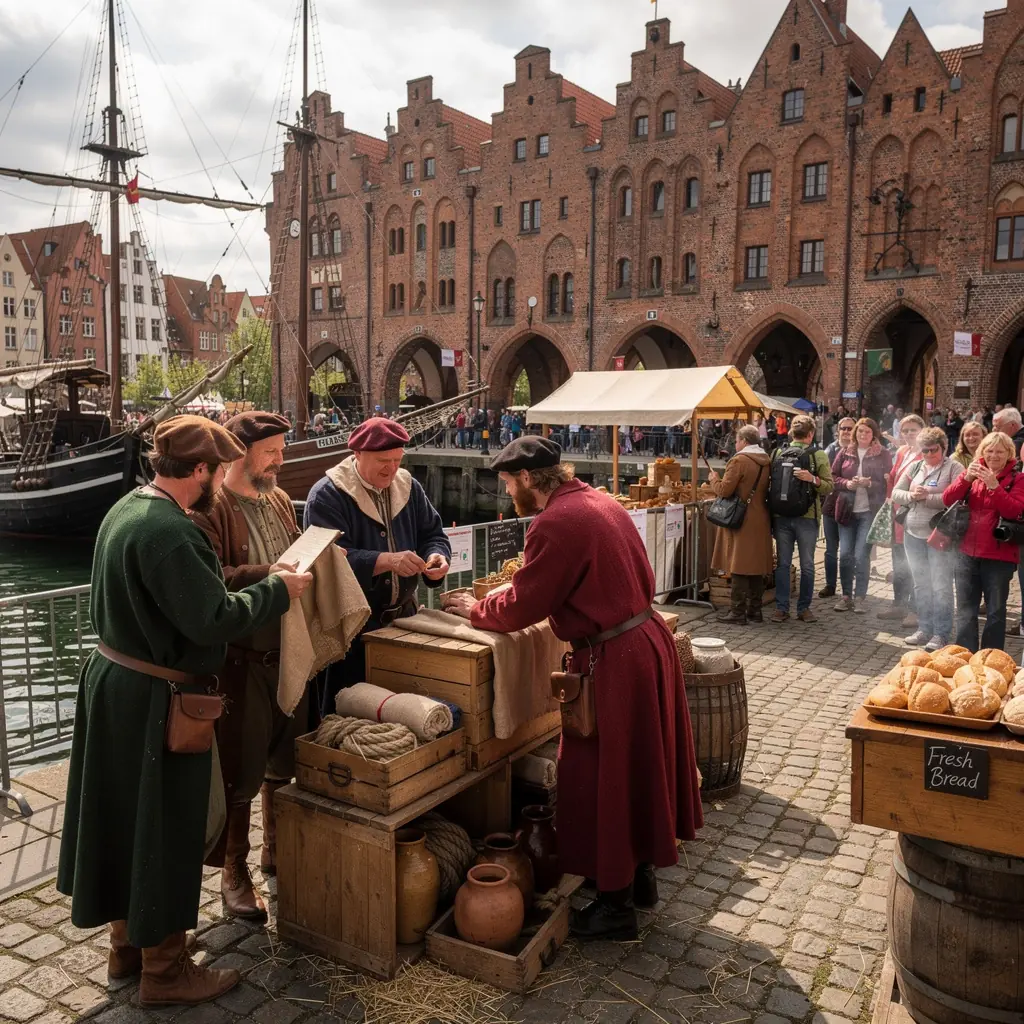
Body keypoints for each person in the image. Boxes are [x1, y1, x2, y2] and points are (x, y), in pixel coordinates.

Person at [57, 416, 311, 1007]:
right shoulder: (173, 531)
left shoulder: (125, 510)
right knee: (166, 825)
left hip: (115, 685)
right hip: (156, 701)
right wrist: (277, 591)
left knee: (128, 820)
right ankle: (165, 972)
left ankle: (127, 946)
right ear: (199, 470)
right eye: (217, 471)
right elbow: (212, 619)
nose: (220, 482)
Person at [441, 437, 702, 940]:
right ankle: (638, 876)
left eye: (508, 482)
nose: (506, 492)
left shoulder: (554, 522)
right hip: (643, 642)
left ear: (527, 480)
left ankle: (615, 906)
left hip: (616, 661)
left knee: (602, 775)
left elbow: (524, 605)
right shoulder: (599, 500)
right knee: (638, 768)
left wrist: (476, 610)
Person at [191, 412, 304, 922]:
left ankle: (274, 848)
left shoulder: (279, 499)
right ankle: (234, 872)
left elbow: (297, 550)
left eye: (282, 449)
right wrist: (271, 576)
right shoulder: (211, 509)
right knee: (239, 768)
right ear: (241, 452)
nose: (281, 459)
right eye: (271, 451)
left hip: (289, 653)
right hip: (242, 659)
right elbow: (212, 580)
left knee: (283, 760)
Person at [303, 417, 451, 715]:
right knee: (348, 713)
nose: (392, 468)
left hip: (403, 621)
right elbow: (326, 558)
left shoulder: (409, 487)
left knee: (401, 710)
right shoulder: (327, 495)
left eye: (397, 460)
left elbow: (432, 533)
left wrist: (438, 556)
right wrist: (385, 561)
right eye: (383, 460)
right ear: (357, 455)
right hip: (350, 630)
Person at [943, 431, 1024, 651]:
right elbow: (947, 499)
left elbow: (1016, 511)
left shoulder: (1018, 479)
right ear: (982, 452)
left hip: (998, 557)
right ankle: (965, 654)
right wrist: (966, 479)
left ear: (1009, 454)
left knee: (995, 612)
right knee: (965, 609)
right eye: (989, 450)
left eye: (1000, 451)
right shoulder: (973, 474)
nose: (994, 455)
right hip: (966, 554)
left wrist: (995, 487)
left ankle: (990, 658)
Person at [891, 427, 964, 652]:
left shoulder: (954, 467)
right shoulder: (915, 466)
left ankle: (941, 633)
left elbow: (957, 498)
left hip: (938, 536)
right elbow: (896, 493)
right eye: (925, 451)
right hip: (913, 533)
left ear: (944, 447)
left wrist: (928, 498)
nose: (929, 455)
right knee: (921, 584)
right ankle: (924, 627)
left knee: (941, 585)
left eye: (934, 450)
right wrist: (912, 496)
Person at [769, 415, 833, 623]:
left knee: (783, 564)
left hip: (780, 516)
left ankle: (781, 609)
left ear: (790, 432)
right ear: (811, 434)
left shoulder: (777, 452)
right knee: (807, 565)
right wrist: (813, 479)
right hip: (807, 517)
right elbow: (828, 486)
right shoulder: (819, 455)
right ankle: (804, 609)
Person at [708, 425, 773, 624]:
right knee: (755, 565)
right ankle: (755, 610)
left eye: (736, 441)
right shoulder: (766, 460)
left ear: (744, 441)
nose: (735, 444)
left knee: (738, 564)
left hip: (742, 518)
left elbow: (725, 491)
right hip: (760, 516)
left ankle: (737, 612)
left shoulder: (739, 461)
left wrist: (714, 480)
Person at [829, 418, 893, 613]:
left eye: (867, 432)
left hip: (869, 511)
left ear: (873, 434)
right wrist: (847, 484)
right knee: (845, 555)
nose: (862, 435)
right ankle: (846, 595)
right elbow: (833, 477)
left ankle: (860, 598)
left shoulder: (883, 454)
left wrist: (870, 483)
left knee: (860, 555)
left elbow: (889, 482)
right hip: (847, 509)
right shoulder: (845, 451)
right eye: (860, 431)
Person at [877, 414, 925, 626]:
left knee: (915, 564)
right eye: (904, 431)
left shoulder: (927, 453)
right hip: (897, 512)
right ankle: (899, 604)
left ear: (922, 430)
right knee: (899, 562)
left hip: (915, 514)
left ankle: (916, 609)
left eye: (913, 430)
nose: (908, 434)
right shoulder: (902, 451)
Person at [819, 417, 855, 599]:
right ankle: (830, 585)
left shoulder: (857, 451)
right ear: (838, 430)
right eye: (844, 428)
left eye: (850, 428)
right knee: (831, 548)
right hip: (831, 505)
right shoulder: (829, 451)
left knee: (847, 551)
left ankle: (847, 589)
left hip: (850, 507)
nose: (847, 431)